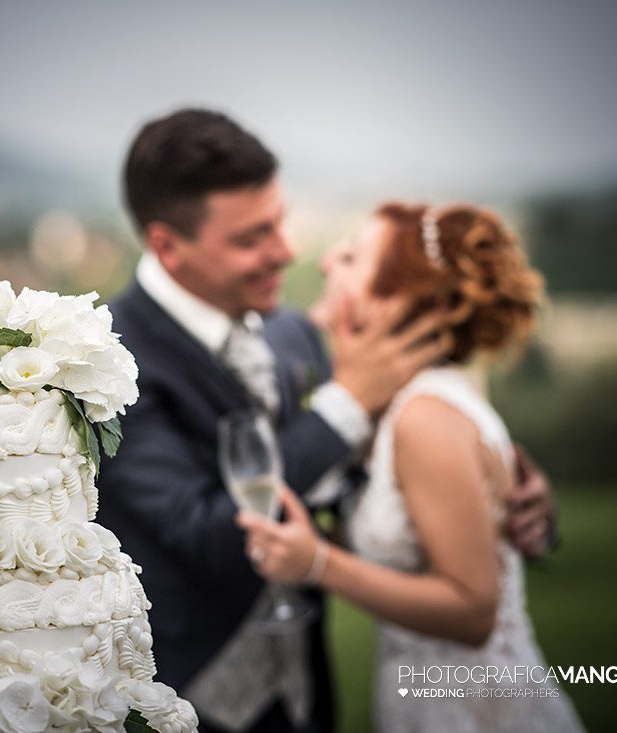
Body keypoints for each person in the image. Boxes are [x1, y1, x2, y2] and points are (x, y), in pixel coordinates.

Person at [97, 107, 556, 733]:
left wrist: (499, 502)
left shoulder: (292, 332)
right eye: (251, 237)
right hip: (187, 699)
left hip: (311, 692)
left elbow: (364, 488)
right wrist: (344, 405)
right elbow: (203, 534)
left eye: (279, 223)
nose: (286, 252)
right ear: (167, 246)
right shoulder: (108, 364)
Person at [237, 202, 582, 732]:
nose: (328, 260)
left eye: (352, 258)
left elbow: (473, 611)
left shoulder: (424, 417)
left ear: (395, 303)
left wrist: (317, 563)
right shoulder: (383, 407)